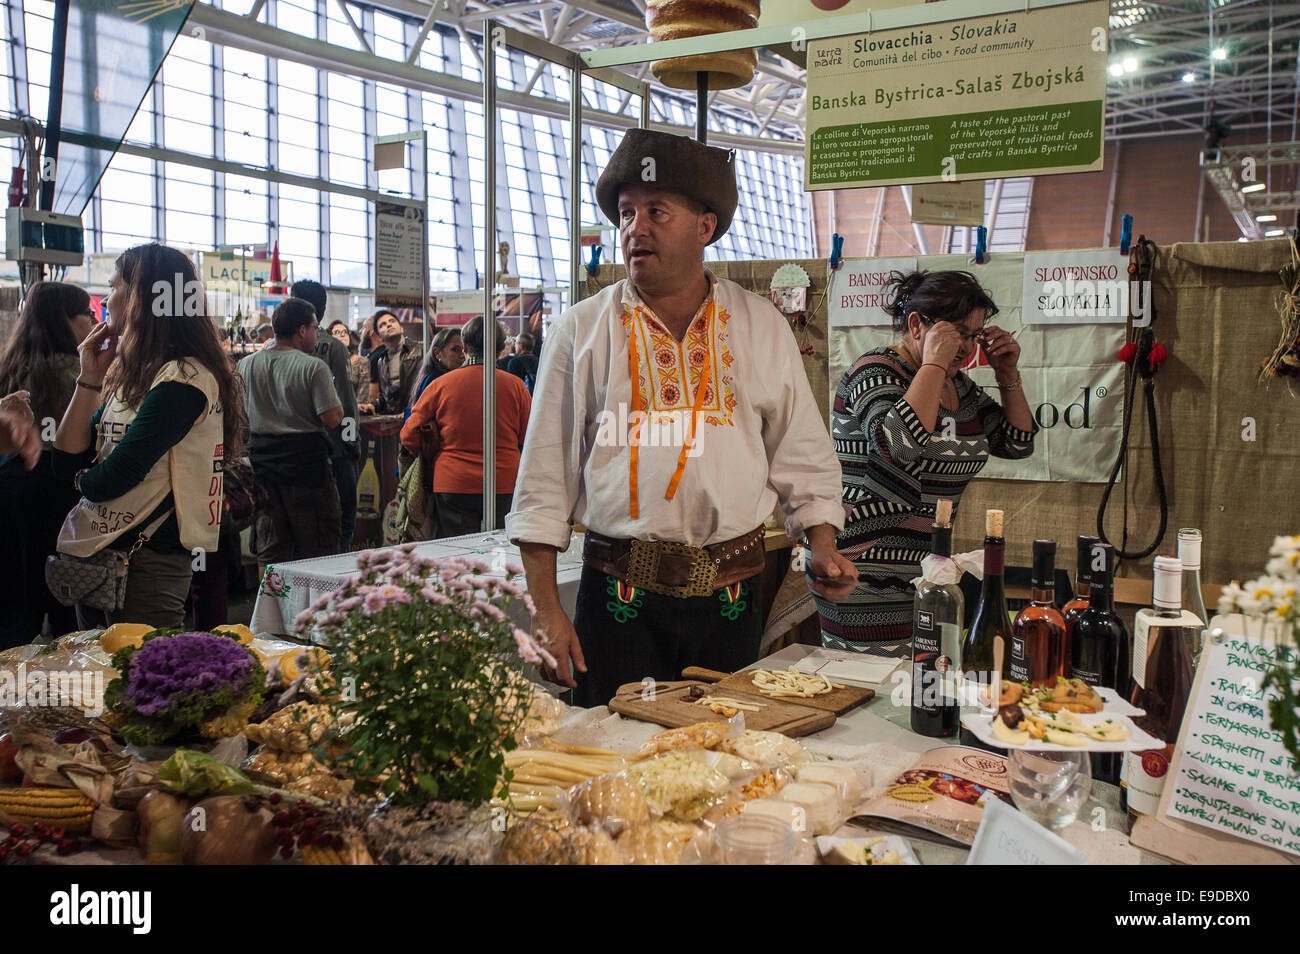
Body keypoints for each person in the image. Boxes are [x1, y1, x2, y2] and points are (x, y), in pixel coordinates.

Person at [505, 128, 856, 707]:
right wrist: (547, 610)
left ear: (705, 227)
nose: (634, 229)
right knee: (610, 762)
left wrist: (821, 541)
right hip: (617, 603)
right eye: (625, 214)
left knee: (725, 760)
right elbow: (544, 476)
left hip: (731, 601)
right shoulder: (581, 330)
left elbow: (801, 450)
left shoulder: (760, 324)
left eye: (656, 212)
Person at [812, 270, 1037, 651]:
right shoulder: (874, 372)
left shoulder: (960, 387)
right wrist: (933, 363)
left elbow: (1016, 443)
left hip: (928, 573)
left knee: (924, 688)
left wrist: (1007, 373)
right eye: (957, 333)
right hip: (862, 570)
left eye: (973, 335)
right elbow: (898, 446)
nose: (966, 347)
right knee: (873, 693)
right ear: (916, 324)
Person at [52, 243, 245, 629]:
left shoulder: (185, 379)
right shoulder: (135, 373)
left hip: (149, 556)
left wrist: (78, 480)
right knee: (98, 672)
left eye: (113, 287)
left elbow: (119, 472)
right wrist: (88, 376)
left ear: (141, 296)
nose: (106, 300)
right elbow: (68, 452)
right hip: (102, 548)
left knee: (140, 677)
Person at [0, 283, 95, 644]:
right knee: (62, 596)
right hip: (57, 488)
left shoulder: (12, 364)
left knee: (17, 597)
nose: (91, 321)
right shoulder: (77, 372)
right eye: (86, 314)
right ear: (66, 321)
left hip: (11, 485)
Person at [400, 316, 530, 538]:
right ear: (500, 348)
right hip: (505, 482)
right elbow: (529, 436)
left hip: (452, 482)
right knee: (500, 550)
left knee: (457, 554)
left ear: (466, 346)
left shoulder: (440, 385)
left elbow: (409, 434)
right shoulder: (516, 386)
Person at [238, 298, 343, 567]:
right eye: (315, 328)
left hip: (262, 469)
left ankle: (271, 608)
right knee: (319, 548)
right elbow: (331, 418)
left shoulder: (246, 365)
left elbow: (240, 416)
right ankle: (316, 608)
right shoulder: (313, 366)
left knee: (271, 550)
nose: (317, 334)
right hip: (306, 471)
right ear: (301, 330)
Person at [291, 280, 359, 551]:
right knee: (343, 520)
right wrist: (352, 444)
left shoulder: (270, 352)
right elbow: (347, 403)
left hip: (289, 453)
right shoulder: (332, 348)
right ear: (322, 309)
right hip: (332, 449)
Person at [366, 310, 422, 414]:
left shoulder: (421, 351)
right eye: (382, 325)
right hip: (395, 421)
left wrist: (411, 411)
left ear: (401, 328)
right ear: (379, 337)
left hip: (417, 415)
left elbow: (429, 388)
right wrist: (372, 406)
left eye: (392, 321)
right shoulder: (381, 361)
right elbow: (385, 398)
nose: (388, 324)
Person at [409, 327, 467, 405]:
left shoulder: (459, 377)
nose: (462, 355)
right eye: (455, 350)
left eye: (465, 350)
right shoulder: (434, 381)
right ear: (437, 353)